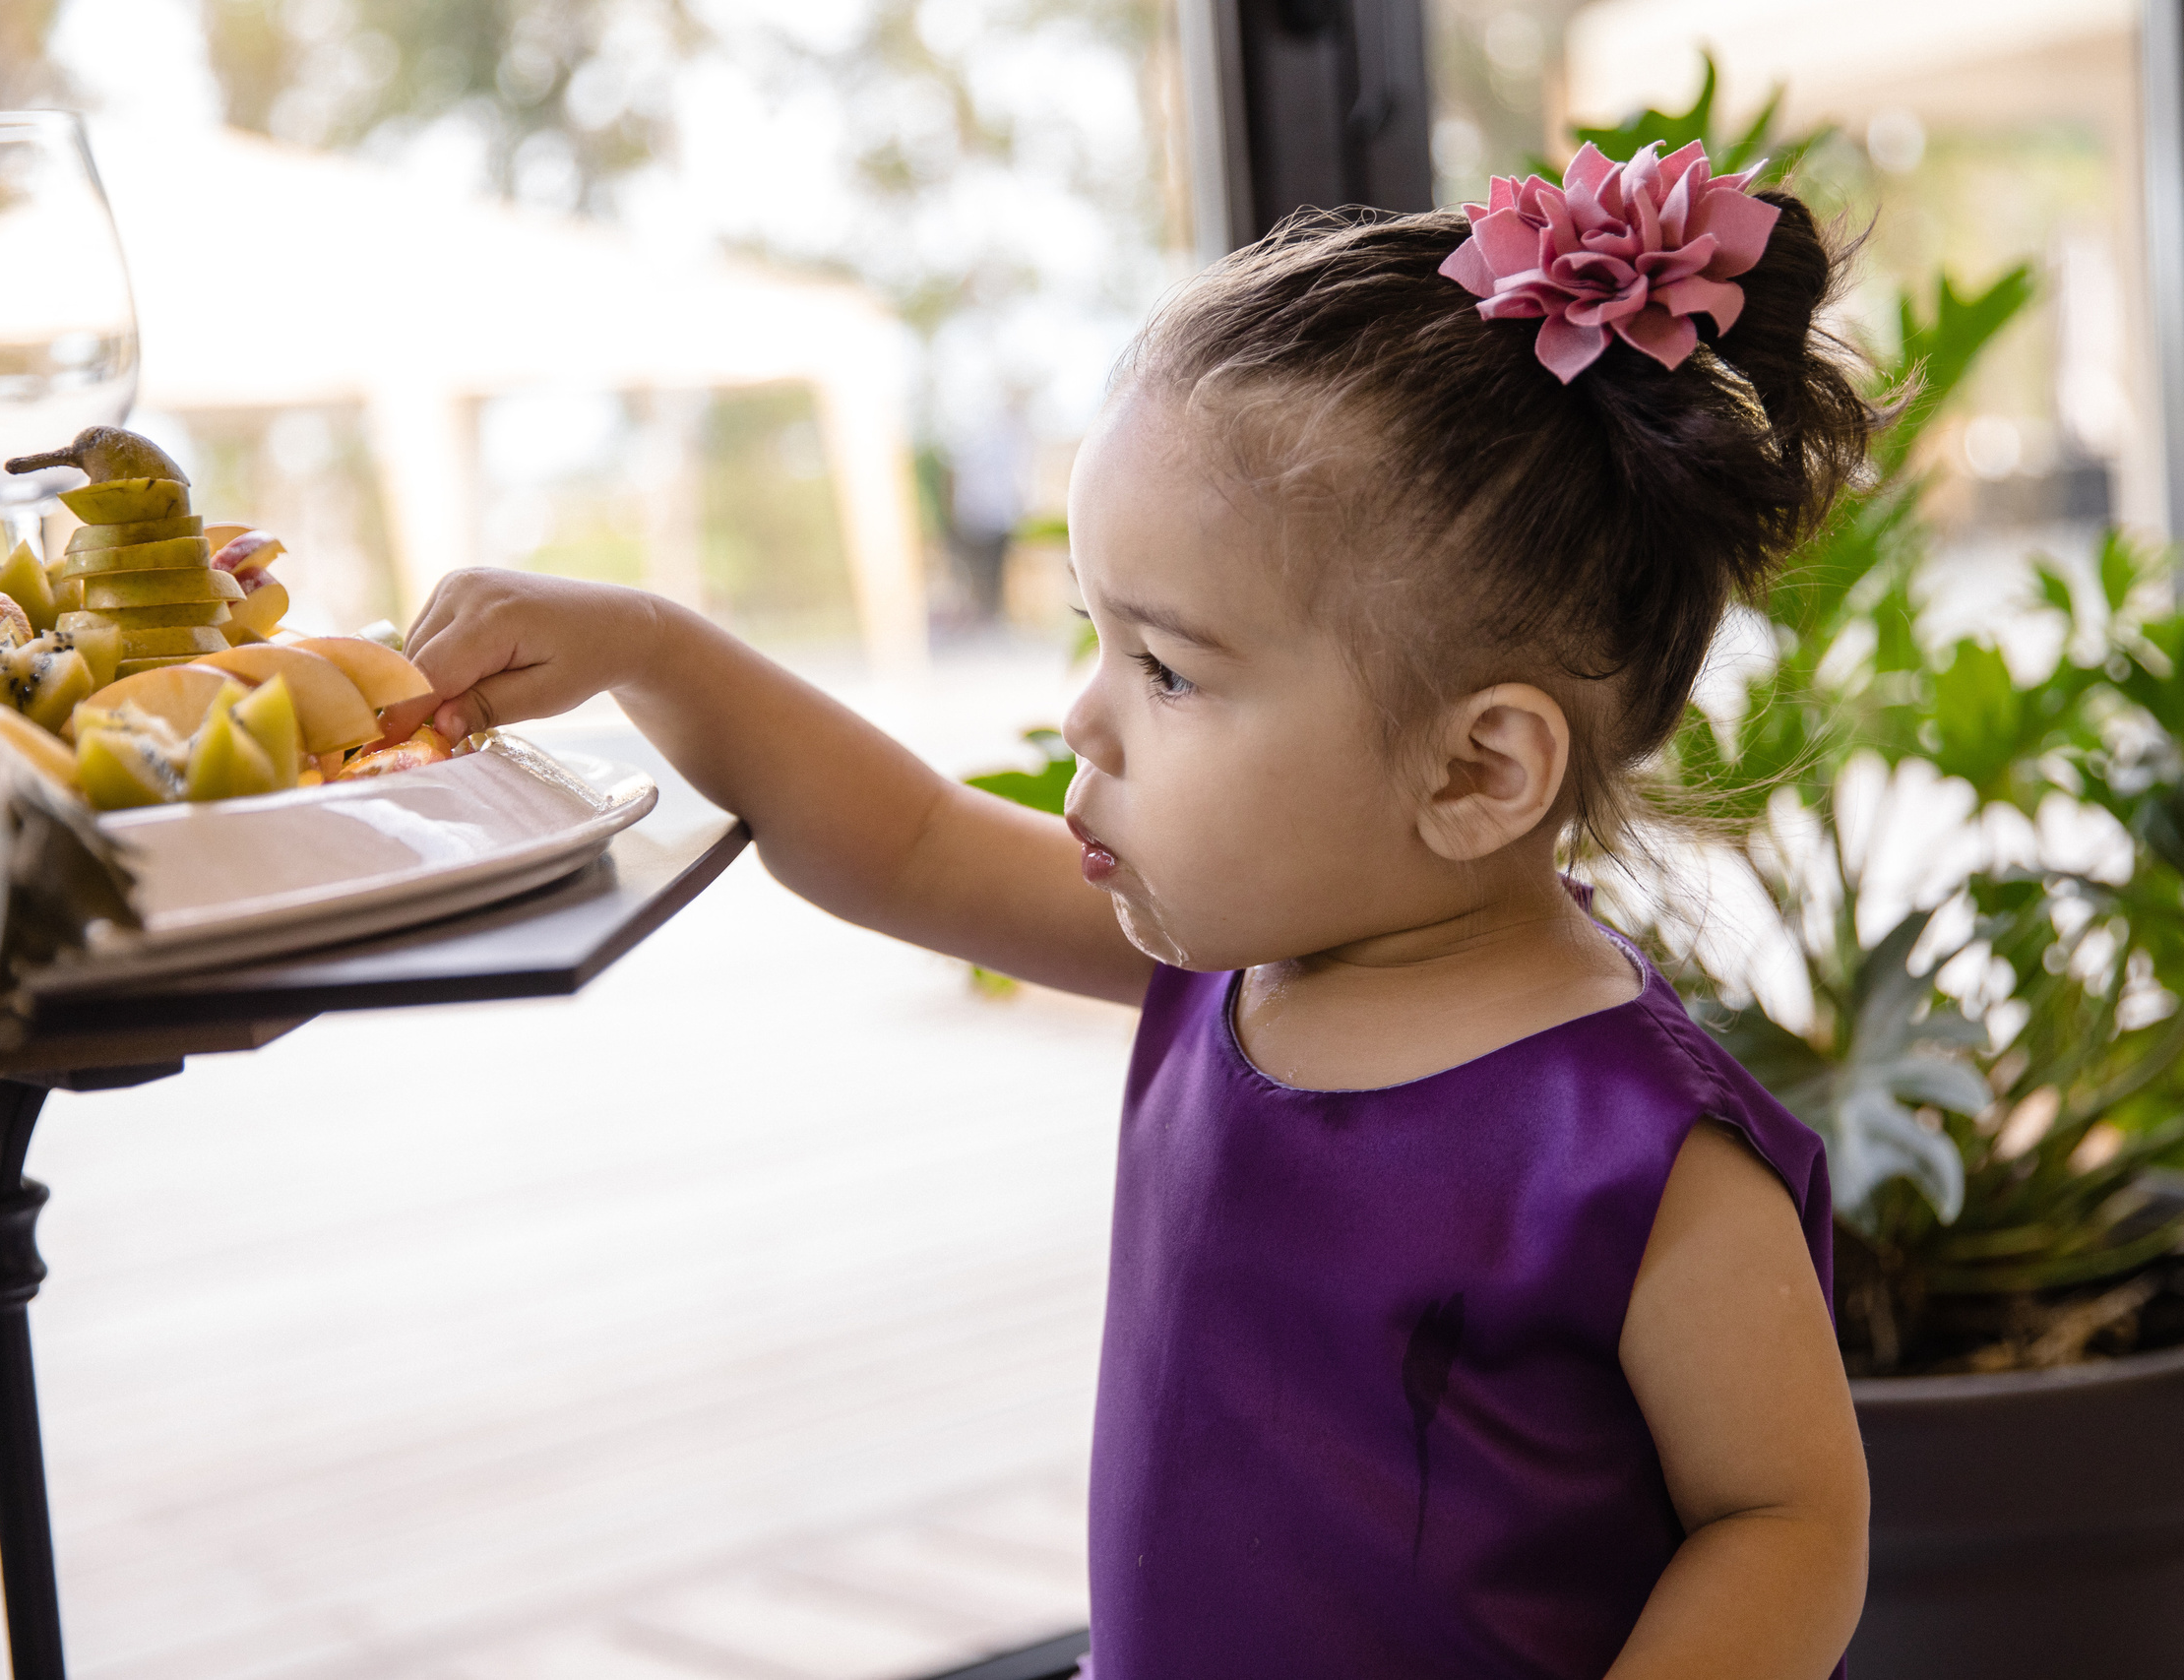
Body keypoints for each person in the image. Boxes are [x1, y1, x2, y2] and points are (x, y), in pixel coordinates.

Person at [409, 142, 1876, 1679]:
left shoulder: (1639, 1157)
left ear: (1478, 767)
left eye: (1166, 669)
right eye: (1090, 637)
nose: (1081, 719)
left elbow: (1784, 1521)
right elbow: (900, 841)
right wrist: (649, 647)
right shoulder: (1222, 963)